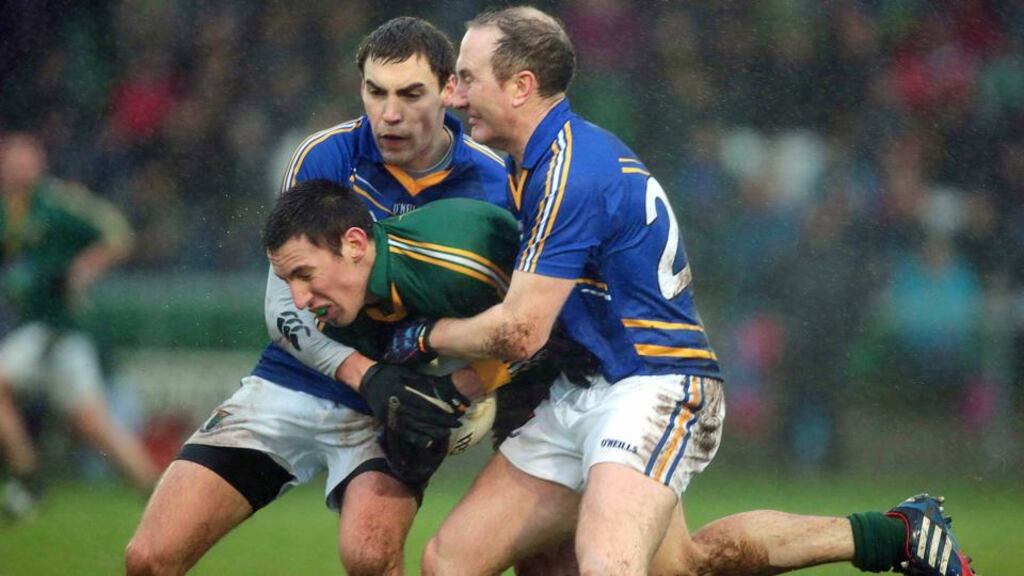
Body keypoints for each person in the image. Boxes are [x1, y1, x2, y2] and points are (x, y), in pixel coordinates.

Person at [376, 7, 975, 576]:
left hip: (654, 384)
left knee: (610, 565)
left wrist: (421, 337)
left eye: (466, 78)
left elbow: (520, 330)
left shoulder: (570, 169)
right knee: (456, 562)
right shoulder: (538, 158)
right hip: (586, 390)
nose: (454, 94)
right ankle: (898, 533)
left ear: (520, 86)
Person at [125, 17, 528, 576]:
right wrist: (366, 374)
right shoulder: (325, 158)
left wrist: (467, 387)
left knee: (369, 558)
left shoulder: (500, 179)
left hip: (397, 400)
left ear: (450, 91)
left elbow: (528, 313)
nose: (389, 114)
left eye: (411, 94)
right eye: (375, 91)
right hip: (300, 375)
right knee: (148, 558)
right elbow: (282, 305)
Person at [0, 132, 159, 520]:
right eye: (10, 159)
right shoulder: (10, 210)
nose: (16, 166)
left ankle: (28, 475)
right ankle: (157, 490)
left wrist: (83, 269)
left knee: (95, 424)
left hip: (58, 327)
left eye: (24, 158)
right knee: (94, 425)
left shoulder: (55, 203)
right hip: (39, 329)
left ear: (38, 163)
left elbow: (117, 233)